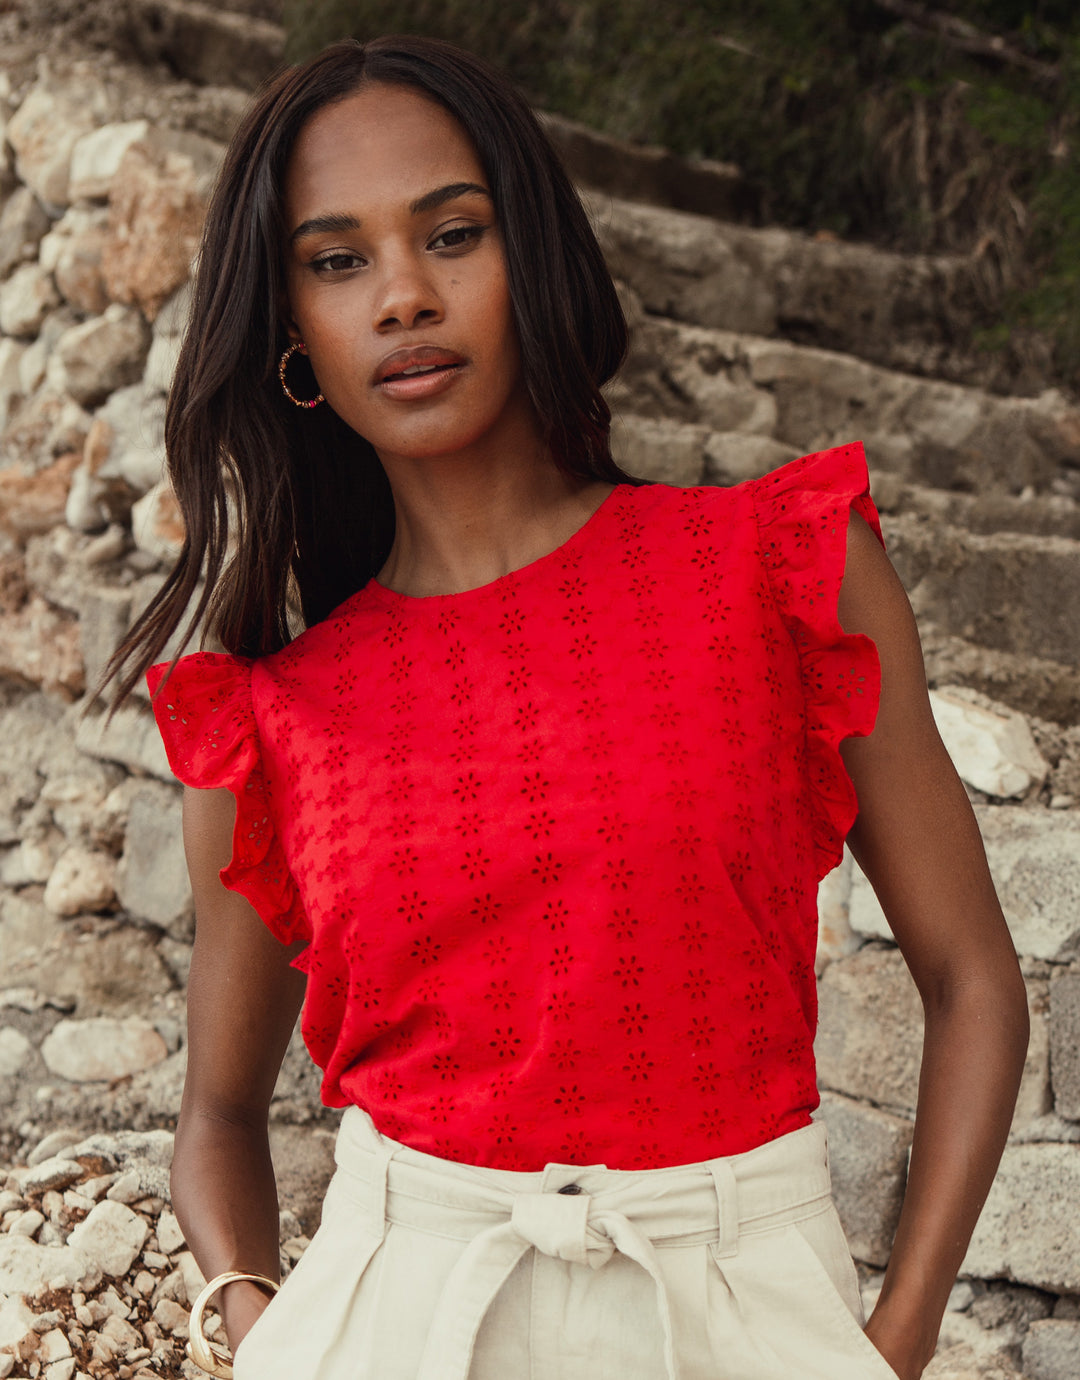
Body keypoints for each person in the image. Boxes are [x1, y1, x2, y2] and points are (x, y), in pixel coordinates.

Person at [105, 33, 1029, 1380]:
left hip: (744, 1309)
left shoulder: (781, 569)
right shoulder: (274, 722)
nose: (404, 297)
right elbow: (218, 1113)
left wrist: (894, 1339)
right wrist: (261, 1330)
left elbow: (975, 980)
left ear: (529, 255)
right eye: (337, 260)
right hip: (392, 1318)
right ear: (291, 333)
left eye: (453, 234)